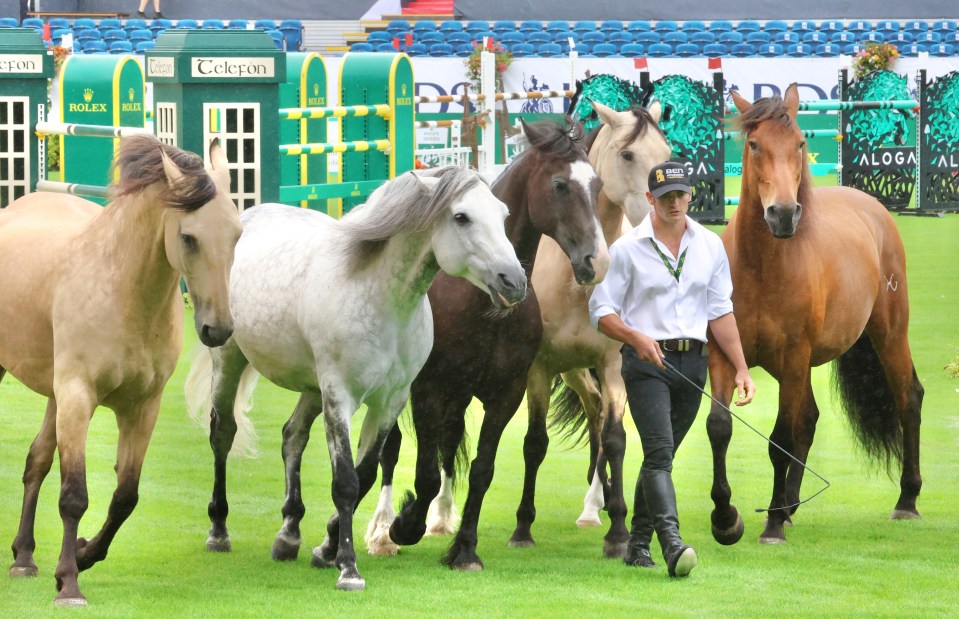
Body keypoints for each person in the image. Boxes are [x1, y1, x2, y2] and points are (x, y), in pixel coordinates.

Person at [588, 160, 755, 578]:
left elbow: (721, 312)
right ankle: (672, 542)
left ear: (690, 195)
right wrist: (635, 338)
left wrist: (741, 368)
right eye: (665, 197)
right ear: (650, 200)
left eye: (680, 194)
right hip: (646, 364)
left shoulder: (710, 245)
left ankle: (638, 543)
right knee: (660, 454)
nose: (674, 203)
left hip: (692, 365)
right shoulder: (627, 251)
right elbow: (600, 310)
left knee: (659, 459)